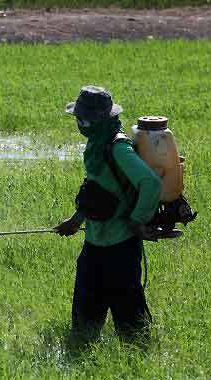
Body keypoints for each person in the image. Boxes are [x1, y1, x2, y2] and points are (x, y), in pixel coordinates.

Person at [54, 85, 163, 347]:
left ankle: (139, 357)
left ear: (99, 119)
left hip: (121, 245)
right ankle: (82, 350)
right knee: (84, 319)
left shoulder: (117, 148)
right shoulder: (97, 145)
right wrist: (77, 219)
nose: (79, 124)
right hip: (94, 242)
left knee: (130, 321)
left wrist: (136, 221)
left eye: (83, 119)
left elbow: (150, 183)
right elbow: (97, 188)